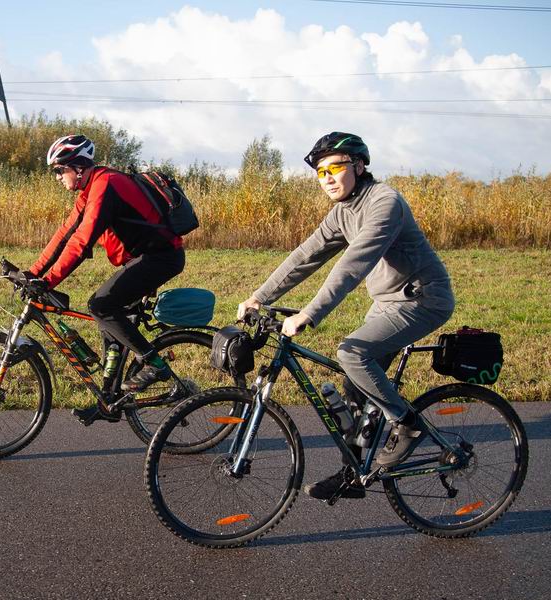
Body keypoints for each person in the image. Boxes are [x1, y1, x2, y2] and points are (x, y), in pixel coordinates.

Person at [237, 132, 455, 501]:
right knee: (356, 390)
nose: (328, 179)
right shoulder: (342, 211)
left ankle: (407, 424)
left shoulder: (385, 203)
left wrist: (310, 313)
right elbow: (305, 256)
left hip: (423, 300)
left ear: (359, 165)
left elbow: (353, 267)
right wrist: (260, 296)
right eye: (320, 173)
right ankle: (354, 475)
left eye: (335, 168)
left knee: (351, 353)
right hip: (387, 302)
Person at [25, 134, 186, 425]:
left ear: (78, 167)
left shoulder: (106, 185)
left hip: (161, 257)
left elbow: (81, 242)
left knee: (101, 305)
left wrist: (48, 282)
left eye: (60, 170)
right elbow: (66, 233)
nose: (58, 177)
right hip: (144, 258)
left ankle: (155, 364)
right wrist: (32, 273)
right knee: (110, 322)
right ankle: (108, 400)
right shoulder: (91, 190)